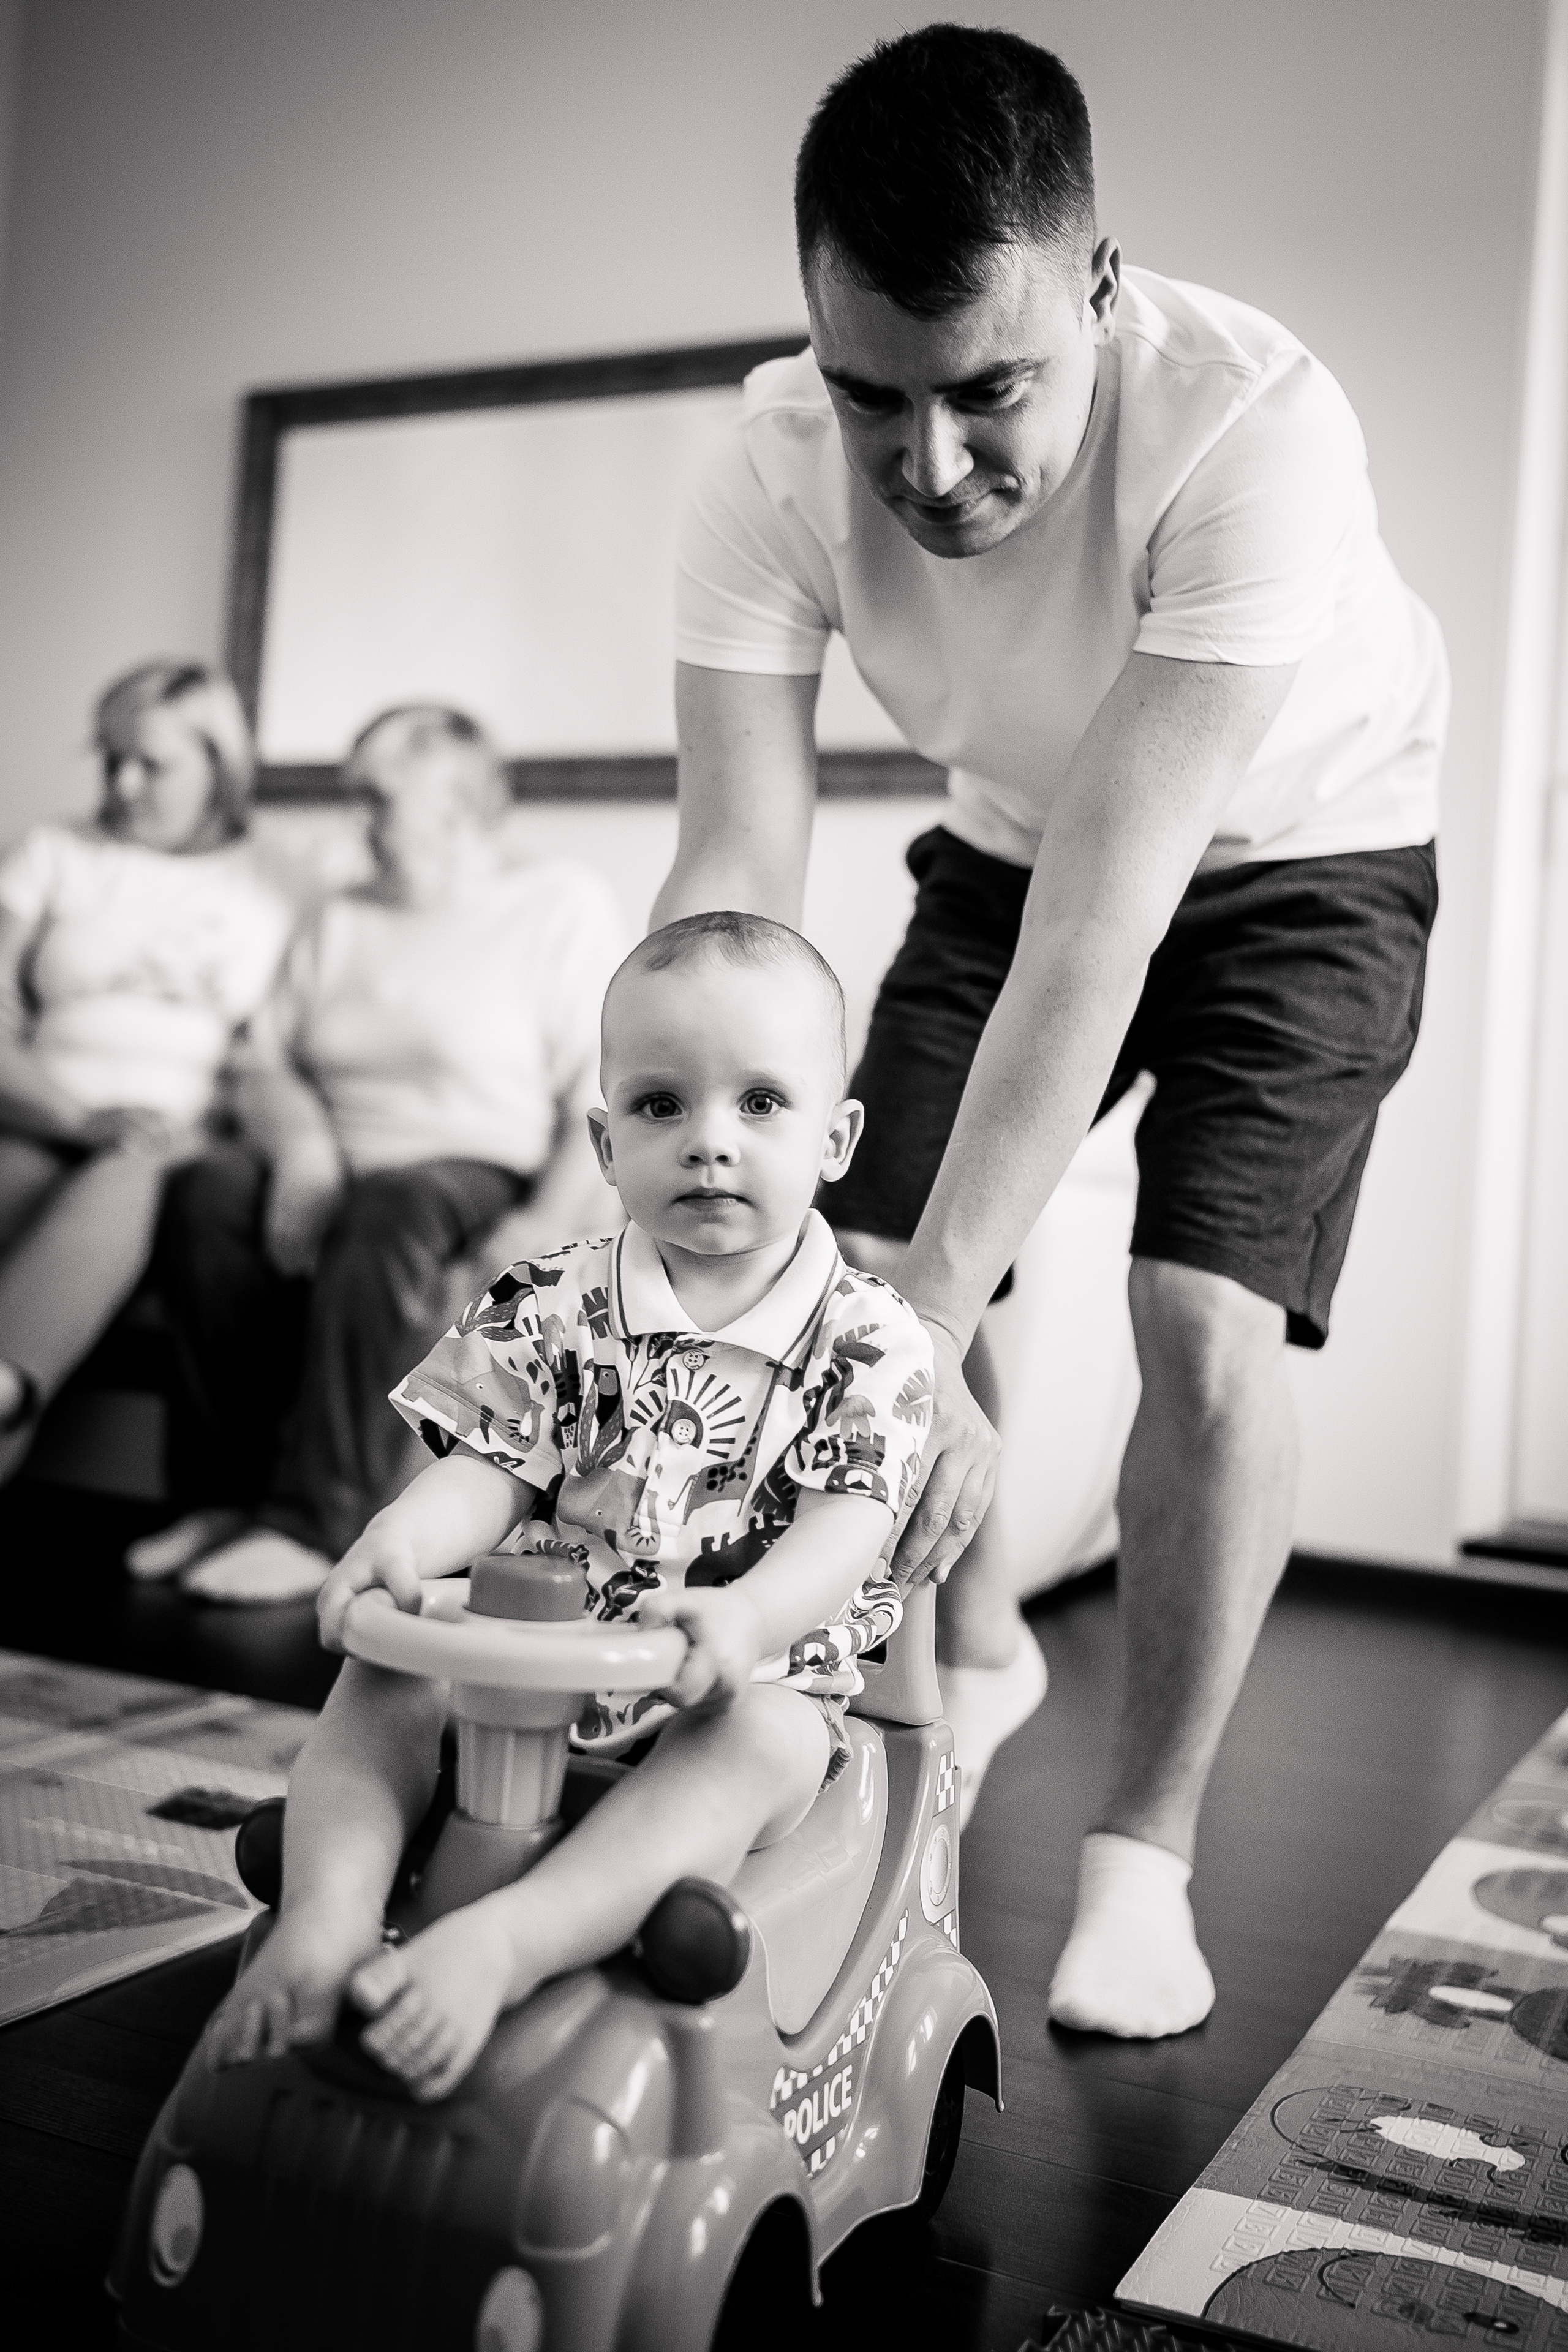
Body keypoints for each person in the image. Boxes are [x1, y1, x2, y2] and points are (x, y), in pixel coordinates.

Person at [657, 26, 1445, 2037]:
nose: (926, 467)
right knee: (863, 1234)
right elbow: (736, 868)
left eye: (988, 390)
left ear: (1097, 286)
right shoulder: (757, 461)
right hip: (1012, 839)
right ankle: (982, 1647)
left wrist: (920, 1311)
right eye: (872, 399)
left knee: (1197, 1311)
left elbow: (1112, 922)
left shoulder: (1253, 422)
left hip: (1306, 850)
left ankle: (1143, 1862)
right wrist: (660, 1187)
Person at [202, 911, 933, 2101]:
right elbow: (488, 1467)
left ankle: (508, 1943)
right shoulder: (550, 1300)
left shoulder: (866, 1339)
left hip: (737, 1666)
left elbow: (846, 1528)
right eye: (660, 1107)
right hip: (537, 1639)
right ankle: (329, 1917)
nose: (708, 1144)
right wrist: (396, 1543)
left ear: (836, 1137)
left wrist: (746, 1619)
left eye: (758, 1104)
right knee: (384, 1676)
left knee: (754, 1743)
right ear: (602, 1140)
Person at [128, 704, 631, 1604]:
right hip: (336, 1165)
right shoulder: (339, 916)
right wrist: (306, 1150)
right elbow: (266, 1061)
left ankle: (317, 1522)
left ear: (461, 804)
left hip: (472, 1167)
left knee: (389, 1206)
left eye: (377, 798)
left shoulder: (557, 906)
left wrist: (546, 1223)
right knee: (206, 1189)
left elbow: (597, 1094)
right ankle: (219, 1501)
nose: (353, 821)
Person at [0, 660, 294, 1482]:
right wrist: (69, 1116)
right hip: (35, 1112)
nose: (124, 783)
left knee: (133, 1166)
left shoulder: (282, 881)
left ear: (220, 767)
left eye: (152, 764)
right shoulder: (55, 852)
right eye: (110, 759)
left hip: (174, 1138)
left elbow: (279, 1050)